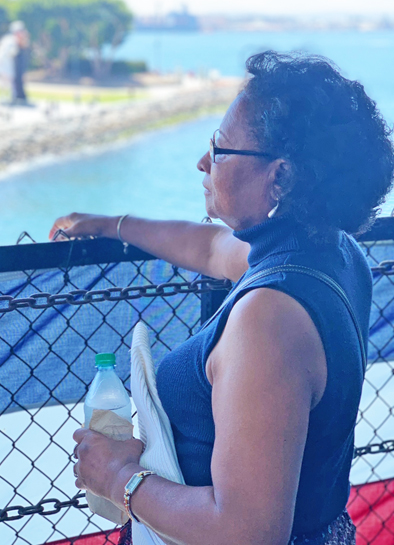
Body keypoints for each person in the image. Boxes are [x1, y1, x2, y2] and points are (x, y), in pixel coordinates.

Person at [48, 51, 394, 545]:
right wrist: (112, 225)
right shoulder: (333, 253)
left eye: (220, 148)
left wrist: (119, 478)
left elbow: (246, 531)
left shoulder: (269, 318)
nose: (203, 161)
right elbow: (209, 247)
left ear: (280, 178)